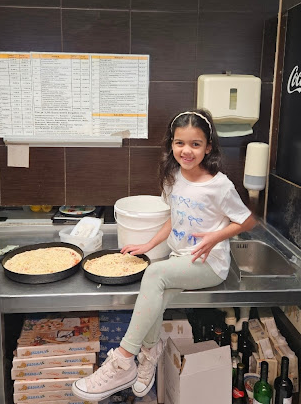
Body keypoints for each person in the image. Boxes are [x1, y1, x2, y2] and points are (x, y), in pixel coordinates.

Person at [72, 109, 256, 402]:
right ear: (172, 144)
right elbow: (174, 217)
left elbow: (246, 221)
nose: (187, 150)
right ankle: (149, 354)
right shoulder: (173, 177)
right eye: (180, 142)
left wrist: (215, 237)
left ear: (208, 147)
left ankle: (122, 361)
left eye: (195, 144)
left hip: (209, 264)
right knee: (156, 298)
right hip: (180, 259)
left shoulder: (219, 185)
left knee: (154, 274)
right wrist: (148, 244)